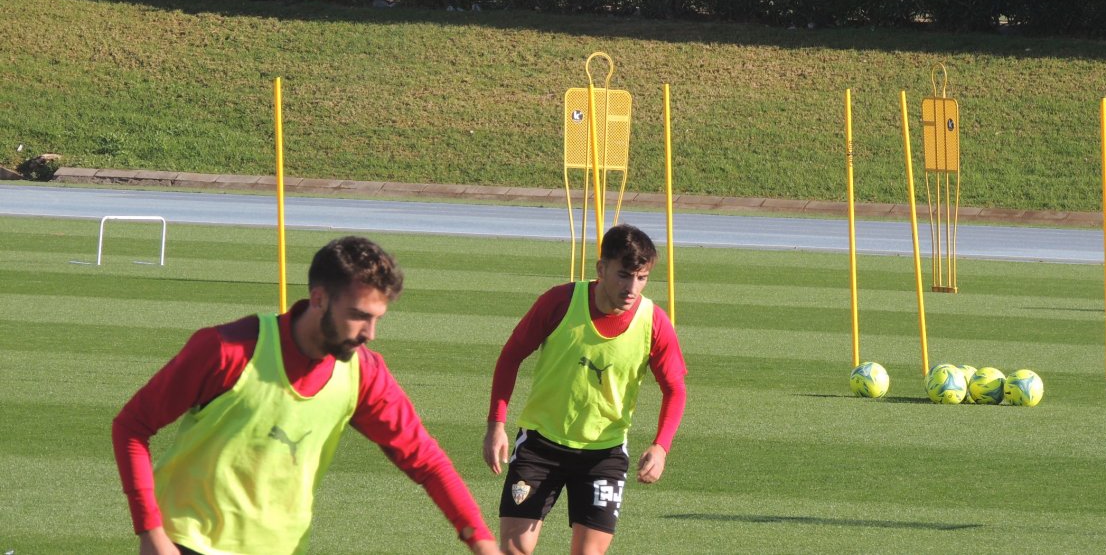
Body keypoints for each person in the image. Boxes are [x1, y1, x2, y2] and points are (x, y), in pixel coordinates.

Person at [113, 236, 499, 555]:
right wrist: (151, 531)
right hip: (189, 543)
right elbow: (132, 426)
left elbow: (427, 462)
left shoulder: (364, 373)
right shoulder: (227, 349)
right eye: (360, 316)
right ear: (318, 299)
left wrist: (480, 540)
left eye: (378, 318)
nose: (371, 333)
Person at [482, 223, 688, 554]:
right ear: (601, 268)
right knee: (514, 550)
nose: (632, 287)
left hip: (603, 455)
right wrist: (496, 425)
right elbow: (510, 356)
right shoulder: (559, 301)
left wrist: (661, 446)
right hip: (540, 446)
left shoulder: (654, 322)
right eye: (624, 275)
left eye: (642, 278)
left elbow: (675, 389)